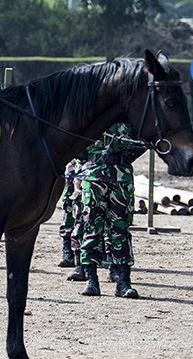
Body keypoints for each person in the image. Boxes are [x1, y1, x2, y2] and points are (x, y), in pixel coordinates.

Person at [76, 123, 146, 298]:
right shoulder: (91, 113)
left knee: (120, 229)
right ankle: (91, 280)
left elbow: (142, 142)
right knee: (92, 228)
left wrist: (122, 157)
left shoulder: (127, 118)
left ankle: (123, 282)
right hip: (93, 176)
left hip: (121, 178)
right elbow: (76, 146)